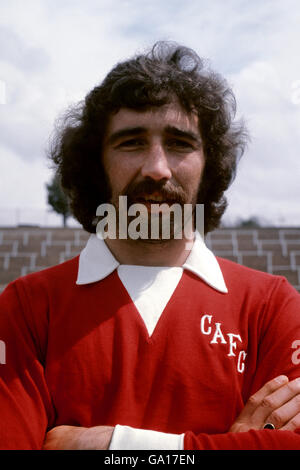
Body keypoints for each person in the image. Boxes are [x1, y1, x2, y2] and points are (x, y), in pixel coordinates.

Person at [1, 41, 300, 451]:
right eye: (131, 142)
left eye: (180, 143)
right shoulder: (26, 307)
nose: (157, 168)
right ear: (96, 164)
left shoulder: (272, 307)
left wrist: (115, 444)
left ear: (209, 165)